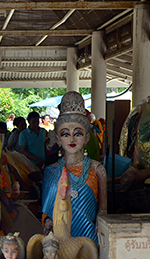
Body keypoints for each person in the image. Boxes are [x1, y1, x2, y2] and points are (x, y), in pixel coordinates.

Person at [40, 91, 108, 243]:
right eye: (65, 134)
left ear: (87, 138)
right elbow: (47, 212)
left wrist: (101, 226)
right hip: (59, 239)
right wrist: (48, 227)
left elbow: (103, 210)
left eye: (77, 134)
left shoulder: (97, 169)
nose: (71, 139)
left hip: (90, 239)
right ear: (57, 138)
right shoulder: (51, 171)